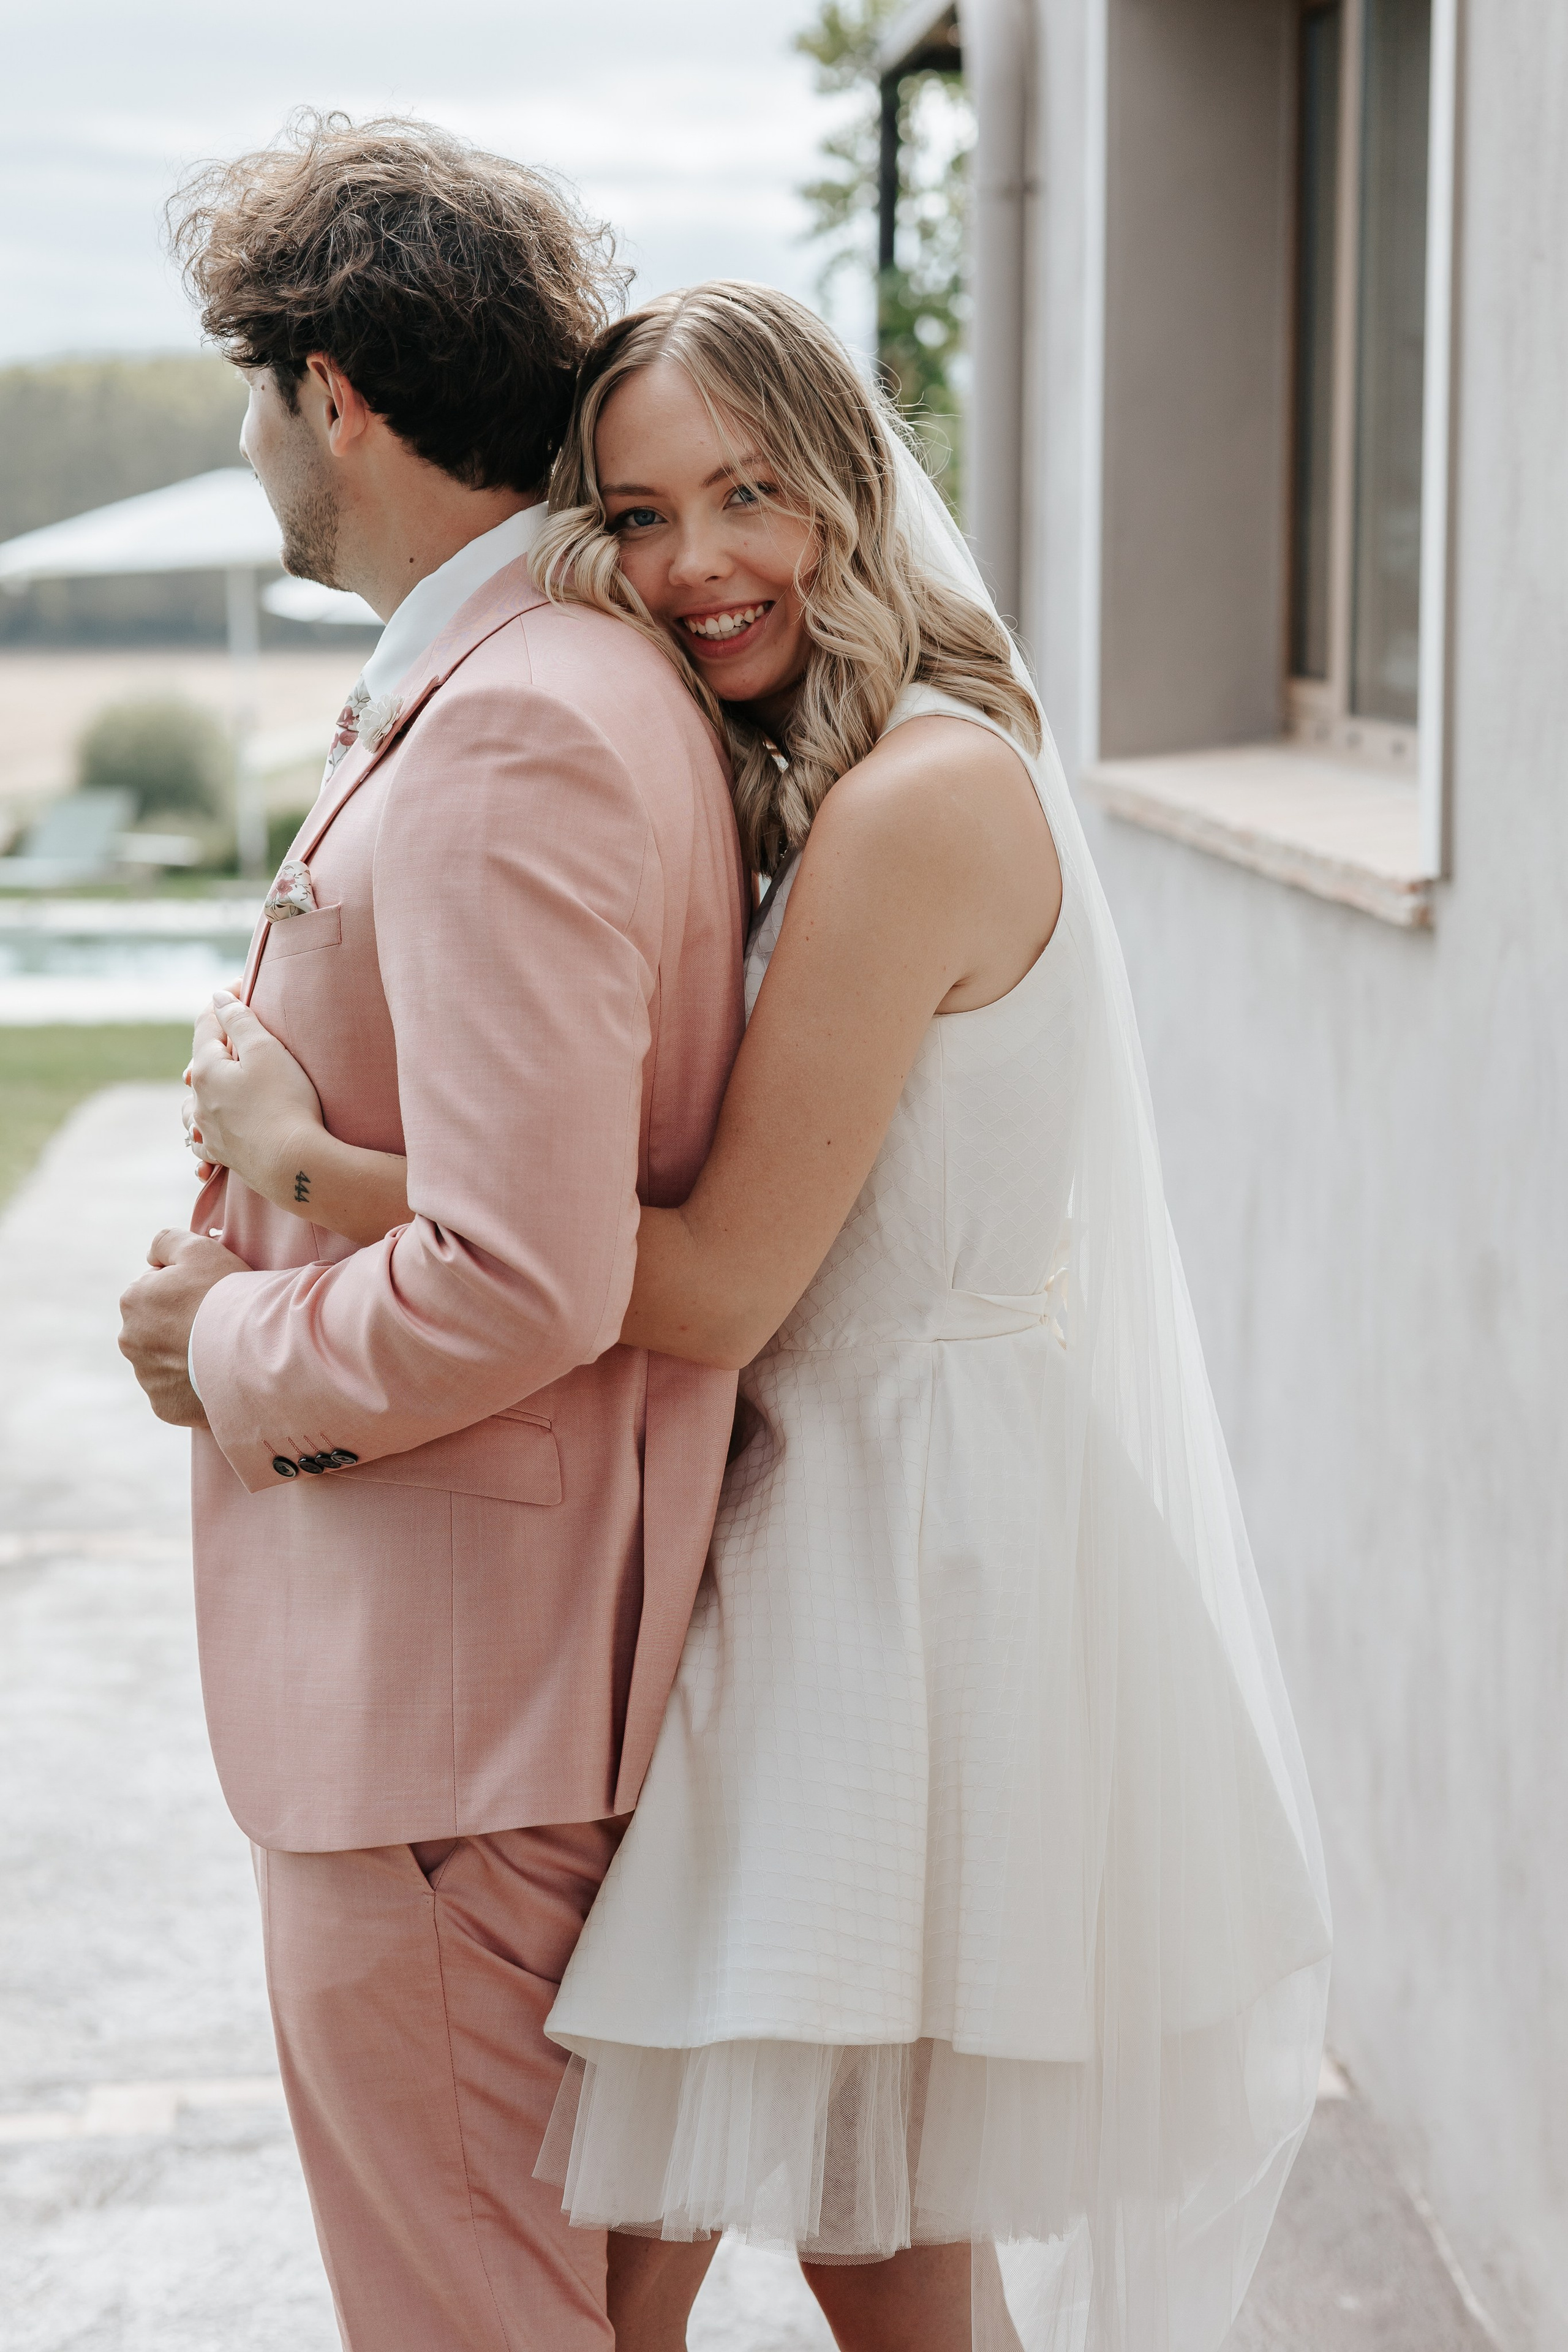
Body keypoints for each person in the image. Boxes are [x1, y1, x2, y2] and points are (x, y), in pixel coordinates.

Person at [183, 282, 1333, 2352]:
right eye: (633, 516)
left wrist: (306, 1171)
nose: (698, 565)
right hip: (840, 1533)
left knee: (748, 2266)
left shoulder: (916, 809)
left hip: (904, 1573)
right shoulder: (844, 769)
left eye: (750, 494)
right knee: (808, 2254)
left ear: (849, 487)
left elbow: (708, 1285)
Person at [116, 122, 746, 2352]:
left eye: (256, 392)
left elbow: (525, 1271)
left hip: (453, 1744)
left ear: (335, 392)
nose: (259, 443)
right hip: (465, 1714)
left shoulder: (519, 735)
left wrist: (234, 1357)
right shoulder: (515, 686)